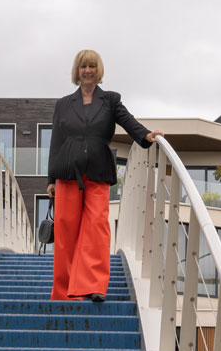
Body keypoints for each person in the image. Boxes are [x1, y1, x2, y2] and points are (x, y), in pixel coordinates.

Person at [46, 49, 161, 302]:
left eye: (92, 66)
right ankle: (65, 293)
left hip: (98, 171)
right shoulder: (63, 104)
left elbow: (127, 120)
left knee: (97, 226)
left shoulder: (110, 100)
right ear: (77, 71)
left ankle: (94, 285)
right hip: (67, 172)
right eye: (83, 66)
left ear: (99, 71)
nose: (87, 70)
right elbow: (56, 140)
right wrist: (51, 180)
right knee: (66, 231)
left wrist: (145, 135)